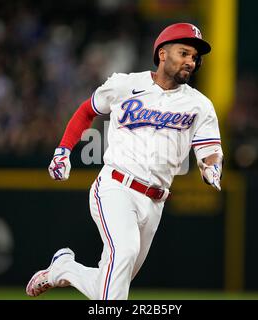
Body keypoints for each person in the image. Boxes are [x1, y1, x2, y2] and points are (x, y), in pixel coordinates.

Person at [26, 22, 224, 300]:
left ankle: (63, 269)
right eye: (184, 52)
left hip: (156, 202)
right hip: (116, 187)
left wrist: (212, 166)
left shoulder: (199, 105)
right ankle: (65, 270)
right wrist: (63, 150)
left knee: (111, 279)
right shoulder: (126, 84)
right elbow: (86, 111)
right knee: (124, 254)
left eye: (194, 57)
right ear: (163, 53)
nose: (191, 61)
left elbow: (209, 149)